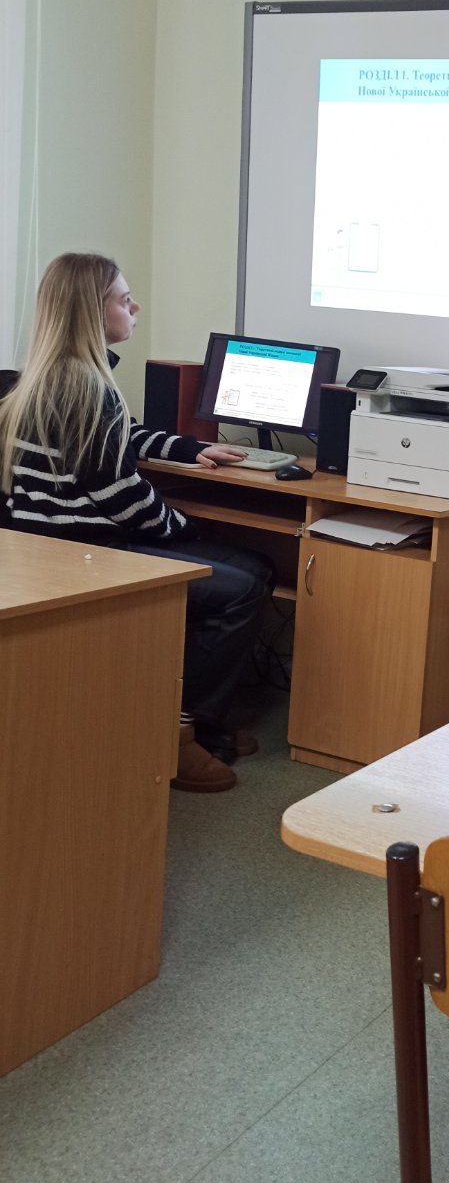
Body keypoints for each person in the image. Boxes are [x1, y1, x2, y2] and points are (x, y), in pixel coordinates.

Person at [0, 253, 273, 792]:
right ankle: (178, 731)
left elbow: (120, 437)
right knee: (242, 586)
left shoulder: (46, 376)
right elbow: (120, 495)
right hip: (86, 553)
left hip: (45, 546)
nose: (136, 308)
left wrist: (189, 449)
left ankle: (204, 725)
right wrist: (183, 528)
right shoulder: (86, 387)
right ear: (91, 311)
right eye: (125, 300)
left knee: (252, 567)